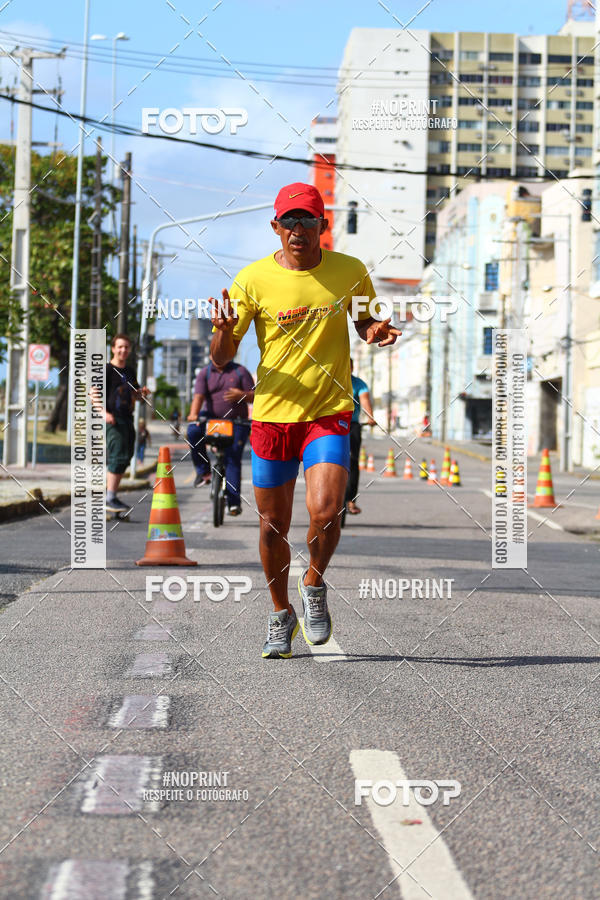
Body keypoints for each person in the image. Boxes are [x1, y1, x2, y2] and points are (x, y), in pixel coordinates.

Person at [210, 182, 401, 659]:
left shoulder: (350, 272)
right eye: (289, 221)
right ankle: (281, 613)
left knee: (326, 509)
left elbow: (364, 321)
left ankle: (313, 584)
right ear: (275, 227)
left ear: (322, 225)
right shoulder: (251, 280)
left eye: (307, 220)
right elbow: (221, 360)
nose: (298, 229)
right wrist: (221, 333)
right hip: (273, 415)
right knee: (273, 523)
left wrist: (375, 329)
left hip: (328, 410)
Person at [186, 352, 254, 515]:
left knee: (232, 458)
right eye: (214, 353)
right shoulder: (205, 373)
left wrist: (241, 395)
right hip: (212, 421)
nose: (218, 356)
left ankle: (233, 503)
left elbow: (255, 396)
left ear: (230, 353)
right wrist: (194, 414)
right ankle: (204, 472)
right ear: (210, 355)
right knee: (193, 430)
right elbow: (198, 397)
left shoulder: (240, 371)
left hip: (236, 421)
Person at [92, 333, 149, 513]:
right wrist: (103, 413)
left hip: (127, 418)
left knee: (126, 455)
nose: (123, 350)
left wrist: (142, 394)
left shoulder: (129, 371)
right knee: (117, 454)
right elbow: (93, 392)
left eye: (126, 347)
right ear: (113, 348)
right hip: (113, 419)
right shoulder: (106, 370)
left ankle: (112, 496)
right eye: (120, 347)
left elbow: (135, 396)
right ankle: (110, 497)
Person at [345, 358, 375, 516]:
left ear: (352, 367)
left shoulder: (359, 384)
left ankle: (351, 501)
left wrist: (370, 417)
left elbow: (364, 400)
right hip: (332, 426)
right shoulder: (330, 380)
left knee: (353, 461)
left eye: (348, 366)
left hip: (352, 425)